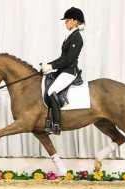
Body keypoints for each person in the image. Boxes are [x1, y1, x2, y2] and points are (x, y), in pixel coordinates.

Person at [41, 7, 85, 135]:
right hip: (63, 70)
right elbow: (62, 57)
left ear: (75, 21)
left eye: (67, 21)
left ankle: (56, 124)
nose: (65, 23)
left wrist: (52, 66)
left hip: (69, 72)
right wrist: (49, 64)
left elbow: (69, 60)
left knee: (51, 91)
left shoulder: (77, 38)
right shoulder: (69, 36)